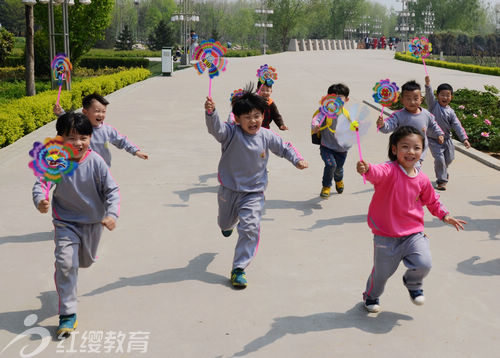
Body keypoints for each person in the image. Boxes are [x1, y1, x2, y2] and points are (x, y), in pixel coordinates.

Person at [204, 85, 308, 288]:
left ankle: (239, 268)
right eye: (248, 117)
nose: (253, 121)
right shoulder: (231, 133)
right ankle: (227, 226)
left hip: (253, 192)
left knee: (250, 228)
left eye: (257, 116)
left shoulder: (266, 135)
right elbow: (215, 129)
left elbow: (284, 147)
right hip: (229, 190)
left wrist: (297, 159)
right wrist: (211, 112)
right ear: (237, 119)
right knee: (225, 224)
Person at [356, 126, 466, 313]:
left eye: (416, 147)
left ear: (422, 150)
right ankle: (371, 296)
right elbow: (376, 173)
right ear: (394, 149)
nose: (411, 152)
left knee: (424, 263)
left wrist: (444, 215)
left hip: (413, 233)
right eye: (405, 147)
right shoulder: (389, 170)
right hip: (386, 235)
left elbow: (432, 200)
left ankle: (413, 283)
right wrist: (366, 169)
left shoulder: (422, 179)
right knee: (381, 273)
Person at [32, 112, 120, 337]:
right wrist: (41, 200)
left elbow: (112, 191)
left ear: (90, 137)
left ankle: (79, 260)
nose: (78, 143)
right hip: (65, 222)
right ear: (60, 139)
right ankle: (68, 315)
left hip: (93, 222)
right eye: (71, 138)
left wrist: (112, 214)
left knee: (85, 262)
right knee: (65, 263)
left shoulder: (96, 162)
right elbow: (41, 183)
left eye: (84, 137)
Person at [54, 93, 148, 167]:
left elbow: (122, 141)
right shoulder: (79, 128)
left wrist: (136, 152)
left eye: (103, 111)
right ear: (85, 112)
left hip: (102, 170)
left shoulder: (107, 130)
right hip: (81, 167)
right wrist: (61, 113)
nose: (101, 115)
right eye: (97, 111)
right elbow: (69, 121)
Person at [376, 80, 445, 161]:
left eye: (416, 99)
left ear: (421, 100)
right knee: (402, 171)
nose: (412, 102)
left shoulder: (426, 114)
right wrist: (382, 124)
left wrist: (439, 134)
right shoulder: (398, 115)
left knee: (414, 170)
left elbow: (433, 124)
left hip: (418, 152)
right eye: (408, 99)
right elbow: (388, 126)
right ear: (402, 100)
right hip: (402, 152)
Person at [424, 76, 471, 190]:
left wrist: (464, 139)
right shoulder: (433, 105)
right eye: (442, 94)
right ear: (437, 96)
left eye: (448, 95)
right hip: (433, 139)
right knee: (439, 159)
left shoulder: (451, 112)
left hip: (447, 139)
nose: (445, 97)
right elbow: (429, 95)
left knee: (449, 158)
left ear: (451, 97)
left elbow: (457, 125)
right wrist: (428, 85)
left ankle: (443, 171)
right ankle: (441, 180)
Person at [311, 83, 351, 198]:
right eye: (333, 97)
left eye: (340, 98)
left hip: (341, 148)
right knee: (330, 165)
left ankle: (339, 180)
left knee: (338, 169)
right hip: (326, 146)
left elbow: (353, 128)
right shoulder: (324, 111)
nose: (336, 100)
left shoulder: (346, 115)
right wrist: (316, 126)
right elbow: (316, 119)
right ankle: (326, 186)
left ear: (346, 99)